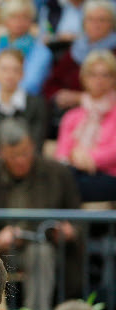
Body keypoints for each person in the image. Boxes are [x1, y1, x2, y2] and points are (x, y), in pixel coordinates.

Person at [0, 118, 80, 310]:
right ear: (1, 152)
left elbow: (78, 217)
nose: (20, 160)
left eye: (24, 153)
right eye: (13, 156)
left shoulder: (57, 173)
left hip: (48, 247)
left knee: (40, 253)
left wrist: (69, 230)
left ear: (33, 145)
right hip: (0, 252)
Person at [54, 49, 116, 203]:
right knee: (62, 178)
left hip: (108, 176)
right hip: (74, 173)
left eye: (105, 74)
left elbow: (113, 152)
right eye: (93, 74)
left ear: (113, 79)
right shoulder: (72, 116)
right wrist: (75, 159)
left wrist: (88, 157)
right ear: (84, 78)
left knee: (65, 186)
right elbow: (61, 154)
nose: (99, 80)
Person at [43, 1, 116, 117]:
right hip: (69, 113)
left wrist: (80, 98)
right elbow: (52, 83)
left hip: (107, 113)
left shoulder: (113, 50)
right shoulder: (75, 49)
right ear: (83, 23)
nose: (96, 25)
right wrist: (59, 95)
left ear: (112, 24)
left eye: (102, 20)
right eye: (91, 19)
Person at [0, 0, 53, 97]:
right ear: (4, 20)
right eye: (13, 17)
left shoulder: (41, 52)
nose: (19, 22)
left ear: (31, 20)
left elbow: (30, 85)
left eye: (24, 17)